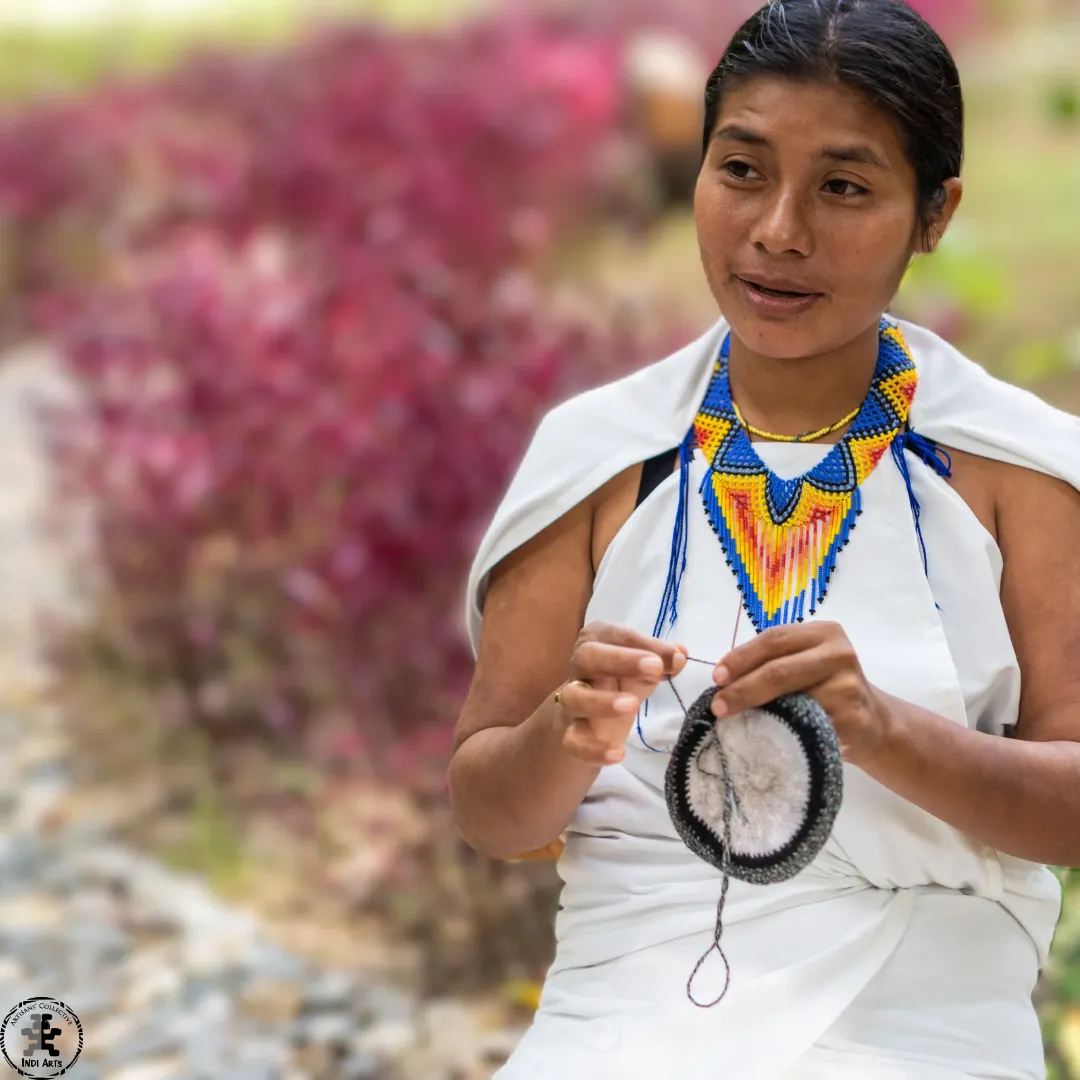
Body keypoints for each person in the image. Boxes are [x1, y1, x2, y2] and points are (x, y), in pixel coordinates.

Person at [448, 1, 1080, 1076]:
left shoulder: (1016, 468)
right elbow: (488, 811)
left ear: (935, 213)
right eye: (742, 170)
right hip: (629, 1011)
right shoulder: (603, 456)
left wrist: (883, 729)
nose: (779, 230)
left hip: (925, 1020)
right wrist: (565, 734)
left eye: (844, 186)